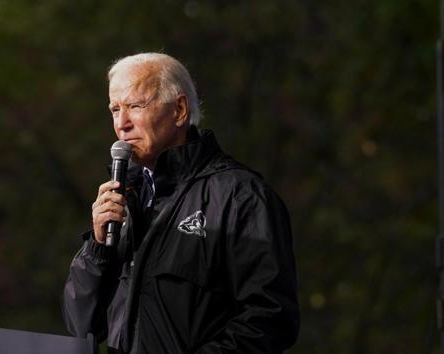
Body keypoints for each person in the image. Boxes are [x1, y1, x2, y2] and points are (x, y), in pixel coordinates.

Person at [62, 53, 299, 353]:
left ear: (179, 110)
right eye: (114, 109)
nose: (122, 123)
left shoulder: (241, 196)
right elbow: (83, 327)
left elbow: (271, 319)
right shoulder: (124, 202)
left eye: (135, 106)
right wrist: (97, 248)